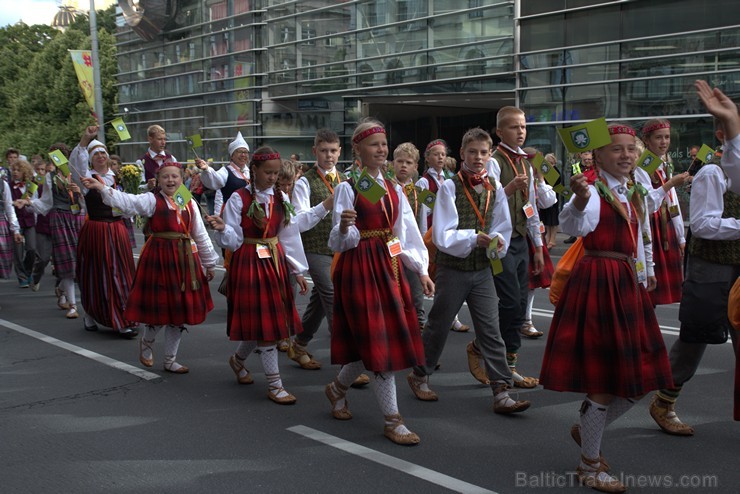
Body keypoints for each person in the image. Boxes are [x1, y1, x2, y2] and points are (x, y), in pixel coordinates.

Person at [540, 123, 672, 493]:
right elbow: (575, 225)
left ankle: (586, 429)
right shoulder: (594, 191)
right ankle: (590, 465)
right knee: (604, 378)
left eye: (631, 148)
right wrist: (580, 199)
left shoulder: (636, 190)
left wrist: (648, 270)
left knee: (643, 373)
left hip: (627, 280)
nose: (627, 155)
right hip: (599, 279)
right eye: (617, 149)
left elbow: (642, 234)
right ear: (598, 155)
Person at [407, 127, 530, 414]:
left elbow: (503, 225)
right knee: (438, 324)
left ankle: (501, 390)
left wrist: (497, 243)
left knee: (490, 328)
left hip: (483, 268)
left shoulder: (495, 187)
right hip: (454, 268)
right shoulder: (450, 186)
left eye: (483, 153)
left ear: (489, 156)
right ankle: (420, 374)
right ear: (461, 154)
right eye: (472, 152)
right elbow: (442, 233)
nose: (478, 157)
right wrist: (474, 238)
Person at [326, 119, 434, 445]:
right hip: (359, 268)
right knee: (378, 340)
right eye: (374, 145)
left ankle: (337, 389)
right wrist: (345, 228)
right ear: (358, 149)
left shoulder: (394, 188)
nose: (382, 150)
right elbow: (339, 242)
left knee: (373, 341)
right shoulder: (347, 187)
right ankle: (393, 420)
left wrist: (422, 269)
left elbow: (406, 233)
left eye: (384, 144)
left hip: (388, 269)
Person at [649, 95, 739, 436]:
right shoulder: (712, 172)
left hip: (736, 268)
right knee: (695, 338)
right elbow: (701, 224)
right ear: (722, 136)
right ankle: (664, 401)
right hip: (711, 266)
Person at [82, 160, 218, 372]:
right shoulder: (152, 200)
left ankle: (170, 359)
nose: (171, 180)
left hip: (183, 260)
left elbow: (199, 232)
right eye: (166, 176)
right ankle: (147, 342)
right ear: (159, 180)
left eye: (175, 176)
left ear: (182, 179)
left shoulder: (186, 199)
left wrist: (209, 262)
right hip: (160, 259)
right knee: (162, 308)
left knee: (178, 312)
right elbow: (128, 202)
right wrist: (101, 187)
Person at [209, 147, 308, 404]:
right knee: (266, 327)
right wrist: (222, 229)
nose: (273, 178)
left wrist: (297, 270)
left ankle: (238, 360)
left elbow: (289, 236)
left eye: (276, 173)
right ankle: (275, 384)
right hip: (249, 264)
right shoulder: (238, 199)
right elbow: (234, 240)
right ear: (254, 171)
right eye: (268, 173)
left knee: (266, 324)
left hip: (273, 263)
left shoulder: (281, 199)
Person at [471, 106, 542, 389]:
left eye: (523, 126)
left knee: (520, 303)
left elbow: (532, 206)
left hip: (520, 240)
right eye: (514, 127)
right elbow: (484, 198)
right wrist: (509, 188)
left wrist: (536, 245)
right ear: (500, 131)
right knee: (509, 302)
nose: (521, 131)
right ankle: (486, 351)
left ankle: (507, 362)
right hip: (498, 244)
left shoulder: (526, 162)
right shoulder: (495, 161)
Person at [69, 126, 138, 338]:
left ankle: (123, 315)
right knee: (98, 273)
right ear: (90, 159)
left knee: (122, 273)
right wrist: (85, 139)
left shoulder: (118, 177)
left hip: (117, 230)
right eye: (95, 154)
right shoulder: (88, 178)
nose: (100, 156)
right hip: (97, 230)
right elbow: (77, 164)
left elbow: (127, 202)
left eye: (103, 153)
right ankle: (94, 313)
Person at [289, 129, 340, 371]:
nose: (328, 156)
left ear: (340, 152)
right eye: (323, 151)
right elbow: (298, 222)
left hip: (340, 249)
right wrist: (325, 206)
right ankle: (347, 361)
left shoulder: (347, 180)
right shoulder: (304, 182)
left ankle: (299, 344)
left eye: (333, 151)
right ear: (314, 152)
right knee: (333, 297)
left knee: (320, 300)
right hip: (315, 248)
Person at [23, 143, 84, 318]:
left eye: (59, 155)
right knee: (66, 261)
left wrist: (79, 192)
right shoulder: (50, 177)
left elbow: (86, 198)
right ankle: (73, 305)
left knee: (78, 259)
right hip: (59, 218)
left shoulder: (77, 174)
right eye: (53, 157)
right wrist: (29, 204)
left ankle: (62, 290)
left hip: (76, 218)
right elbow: (46, 202)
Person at [416, 139, 470, 333]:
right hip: (432, 231)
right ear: (427, 158)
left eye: (443, 154)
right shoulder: (424, 182)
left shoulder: (449, 178)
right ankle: (427, 316)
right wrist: (423, 237)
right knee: (433, 275)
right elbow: (423, 212)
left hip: (447, 231)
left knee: (445, 275)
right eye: (436, 154)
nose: (440, 157)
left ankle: (450, 317)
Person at [638, 119, 690, 306]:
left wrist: (681, 237)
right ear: (647, 140)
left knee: (656, 290)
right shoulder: (643, 165)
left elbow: (672, 201)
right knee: (648, 287)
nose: (664, 142)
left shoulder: (661, 164)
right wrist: (670, 184)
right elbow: (648, 203)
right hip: (651, 228)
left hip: (664, 227)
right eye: (658, 137)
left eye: (667, 137)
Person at [520, 147, 557, 339]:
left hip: (532, 234)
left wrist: (541, 179)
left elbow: (548, 202)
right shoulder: (516, 179)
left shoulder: (535, 181)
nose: (536, 168)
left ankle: (526, 320)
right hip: (514, 234)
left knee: (532, 280)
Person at [393, 142, 427, 330]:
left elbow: (422, 224)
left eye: (408, 162)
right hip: (391, 251)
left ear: (415, 167)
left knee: (416, 296)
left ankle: (419, 338)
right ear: (393, 163)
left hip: (411, 251)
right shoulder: (385, 188)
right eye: (400, 161)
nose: (403, 166)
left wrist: (423, 255)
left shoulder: (419, 193)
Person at [197, 131, 250, 215]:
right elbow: (215, 180)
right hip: (231, 214)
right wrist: (207, 169)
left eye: (245, 152)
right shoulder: (226, 171)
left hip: (248, 213)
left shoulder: (251, 172)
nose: (243, 155)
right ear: (232, 155)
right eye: (240, 152)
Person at [9, 160, 38, 288]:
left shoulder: (30, 186)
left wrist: (29, 202)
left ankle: (27, 270)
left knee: (32, 248)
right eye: (13, 170)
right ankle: (22, 277)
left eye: (18, 170)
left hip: (29, 220)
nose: (15, 172)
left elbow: (36, 203)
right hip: (16, 221)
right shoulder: (8, 186)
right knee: (18, 251)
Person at [28, 157, 52, 291]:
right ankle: (36, 276)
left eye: (44, 170)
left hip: (58, 224)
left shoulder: (56, 184)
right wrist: (30, 203)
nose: (41, 173)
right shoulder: (33, 185)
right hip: (42, 225)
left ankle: (63, 291)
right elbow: (29, 205)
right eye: (39, 170)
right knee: (43, 258)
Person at [137, 125, 176, 190]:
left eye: (164, 139)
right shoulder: (141, 162)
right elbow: (138, 188)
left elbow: (179, 183)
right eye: (160, 139)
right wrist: (148, 186)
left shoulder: (171, 158)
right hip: (152, 199)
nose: (163, 143)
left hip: (170, 199)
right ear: (150, 139)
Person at [540, 153, 561, 249]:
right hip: (545, 198)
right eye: (548, 162)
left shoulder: (556, 172)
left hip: (553, 198)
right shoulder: (543, 171)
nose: (551, 165)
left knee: (553, 219)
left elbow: (557, 183)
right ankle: (548, 237)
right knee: (547, 220)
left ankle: (552, 239)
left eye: (552, 163)